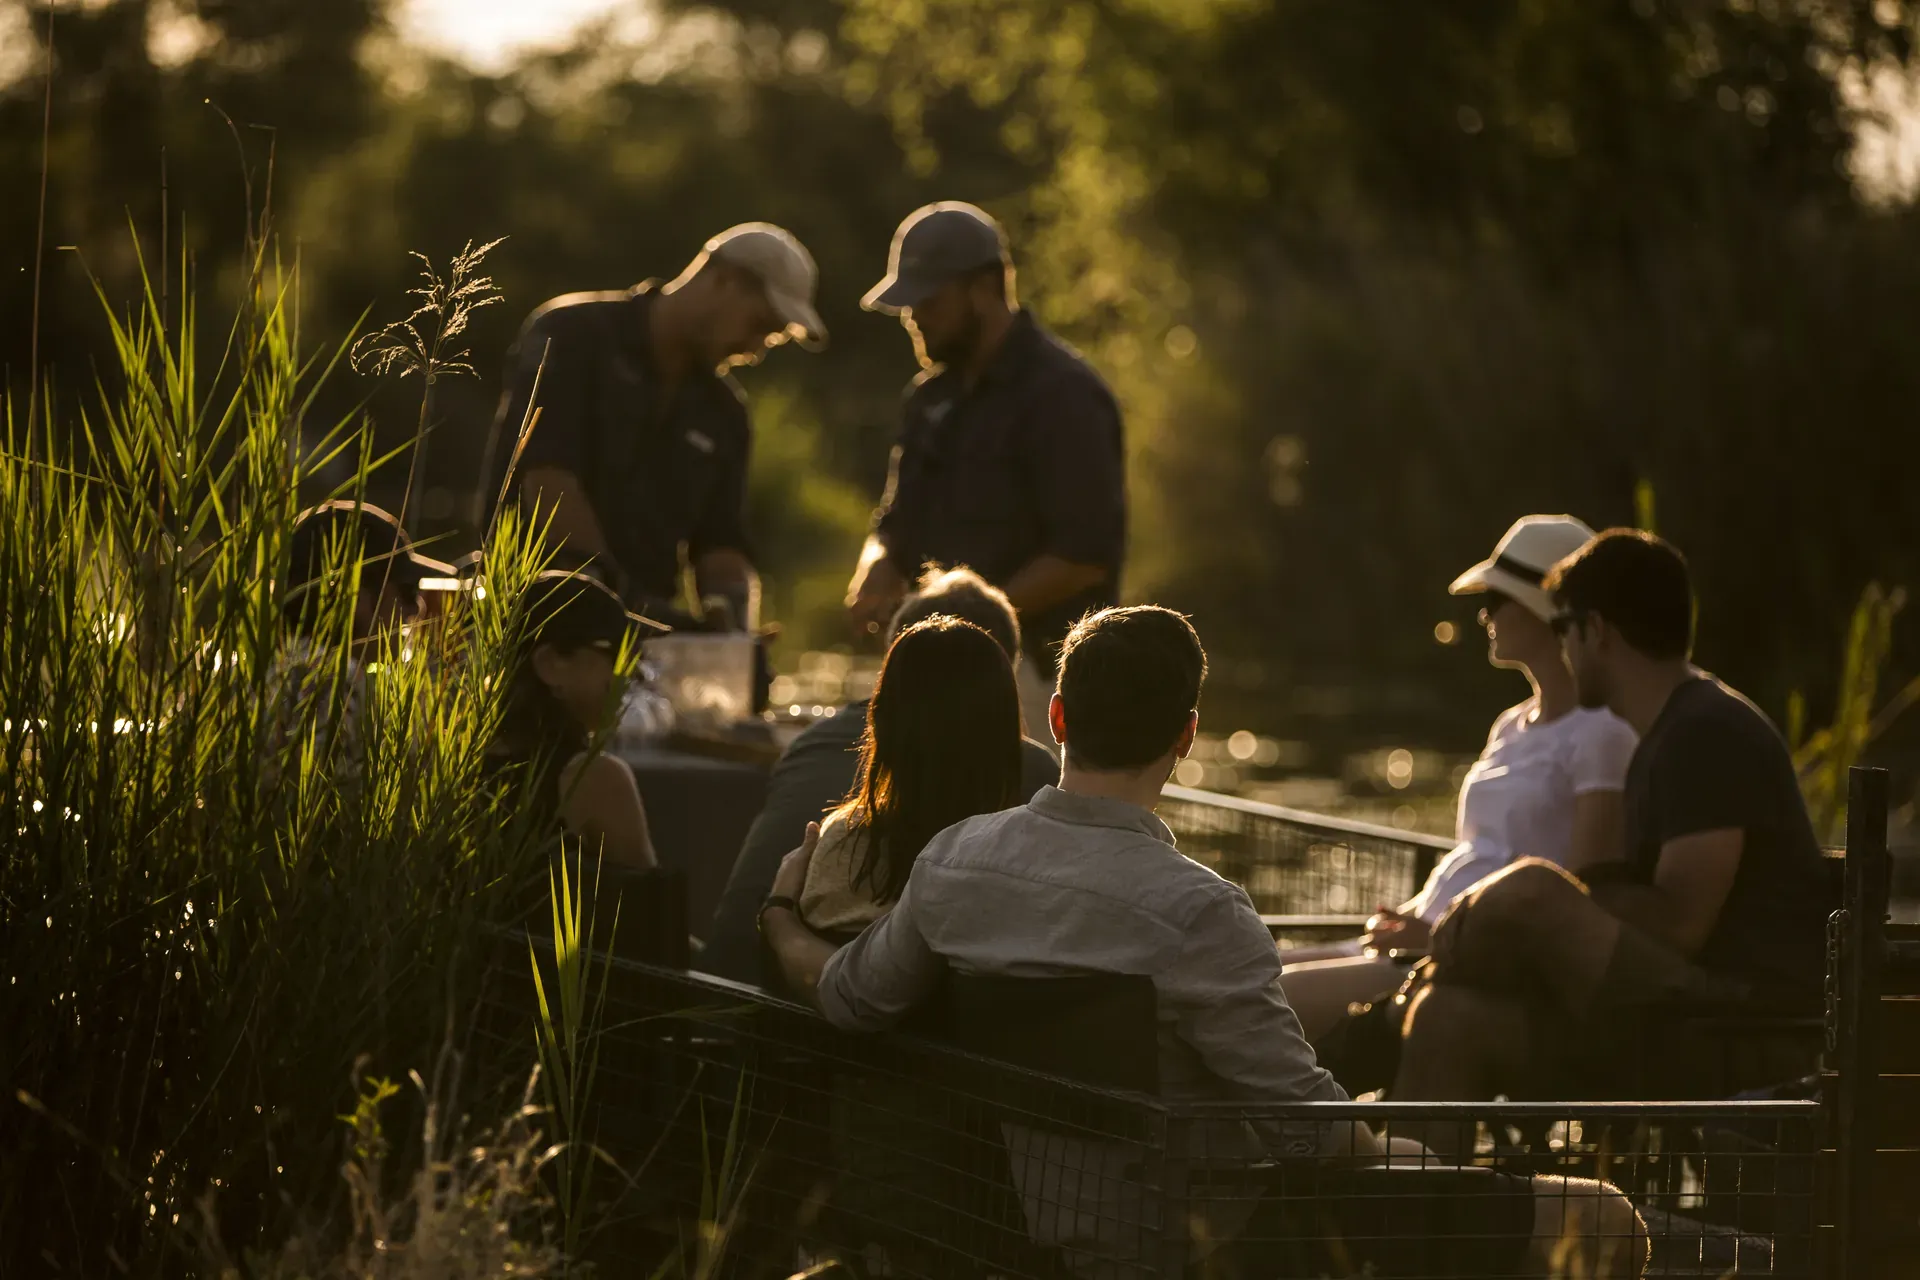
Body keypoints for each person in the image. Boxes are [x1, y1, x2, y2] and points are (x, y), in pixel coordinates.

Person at [762, 605, 1645, 1279]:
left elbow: (847, 996)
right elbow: (1306, 1135)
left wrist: (781, 923)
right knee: (1604, 1219)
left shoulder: (958, 862)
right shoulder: (1202, 912)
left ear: (1058, 720)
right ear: (1187, 736)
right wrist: (1398, 1149)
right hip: (1204, 1236)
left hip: (1031, 1223)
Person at [1393, 530, 1833, 1132]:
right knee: (1446, 1018)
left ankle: (1364, 1030)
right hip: (1668, 1015)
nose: (1562, 645)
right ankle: (1408, 1211)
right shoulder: (1659, 734)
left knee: (1527, 889)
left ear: (1595, 630)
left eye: (1564, 625)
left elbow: (1681, 925)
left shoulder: (1707, 733)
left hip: (1736, 1026)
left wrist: (1561, 902)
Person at [1279, 515, 1638, 1042]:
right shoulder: (1510, 725)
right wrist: (1408, 916)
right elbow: (1480, 851)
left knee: (1266, 998)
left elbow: (1579, 899)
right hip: (1421, 940)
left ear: (1547, 615)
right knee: (1238, 972)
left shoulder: (1602, 734)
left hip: (1461, 965)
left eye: (1496, 601)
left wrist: (1442, 938)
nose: (1482, 614)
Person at [844, 202, 1126, 743]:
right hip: (940, 667)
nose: (914, 317)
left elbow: (1084, 557)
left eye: (928, 299)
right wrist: (876, 570)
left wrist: (965, 623)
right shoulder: (929, 399)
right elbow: (895, 524)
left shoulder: (1065, 398)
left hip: (1041, 681)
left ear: (986, 286)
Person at [699, 566, 1057, 983]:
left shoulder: (817, 769)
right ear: (998, 684)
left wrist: (778, 911)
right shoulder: (1015, 794)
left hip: (743, 994)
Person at [488, 223, 825, 634]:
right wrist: (621, 602)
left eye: (771, 339)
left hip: (649, 640)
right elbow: (547, 480)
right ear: (722, 280)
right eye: (759, 325)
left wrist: (736, 638)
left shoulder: (725, 412)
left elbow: (721, 542)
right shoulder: (571, 334)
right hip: (528, 619)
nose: (755, 351)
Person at [798, 616, 1025, 943]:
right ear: (1006, 737)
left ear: (881, 722)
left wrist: (778, 911)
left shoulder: (843, 844)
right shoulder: (1021, 862)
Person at [265, 500, 452, 783]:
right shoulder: (344, 689)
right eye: (407, 592)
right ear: (353, 598)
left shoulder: (246, 681)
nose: (416, 610)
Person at [492, 569, 665, 870]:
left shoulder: (446, 767)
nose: (631, 676)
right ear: (549, 664)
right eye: (619, 655)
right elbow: (650, 909)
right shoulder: (594, 778)